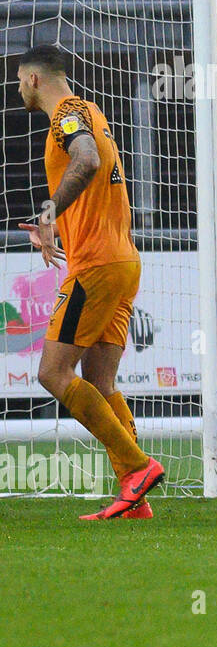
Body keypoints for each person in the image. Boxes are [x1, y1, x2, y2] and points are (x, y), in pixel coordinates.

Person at [15, 44, 164, 520]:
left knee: (52, 374)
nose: (17, 89)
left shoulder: (68, 116)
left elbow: (87, 162)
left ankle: (137, 467)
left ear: (34, 80)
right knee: (100, 381)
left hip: (97, 267)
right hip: (122, 261)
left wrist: (49, 210)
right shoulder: (93, 112)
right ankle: (133, 496)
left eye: (18, 81)